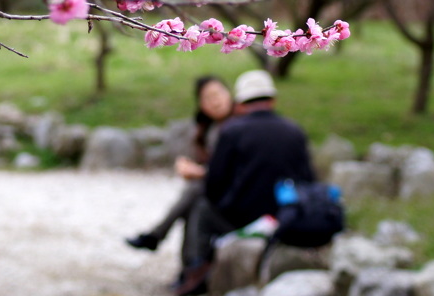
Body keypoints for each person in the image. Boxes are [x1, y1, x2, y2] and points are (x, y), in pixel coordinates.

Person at [174, 69, 316, 296]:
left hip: (243, 217)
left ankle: (194, 271)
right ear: (273, 99)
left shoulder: (232, 131)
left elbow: (214, 184)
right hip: (283, 215)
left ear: (239, 102)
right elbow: (309, 179)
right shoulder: (294, 130)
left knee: (201, 208)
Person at [125, 75, 234, 258]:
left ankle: (157, 235)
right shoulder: (207, 129)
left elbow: (233, 168)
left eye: (218, 94)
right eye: (208, 98)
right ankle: (187, 270)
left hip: (235, 190)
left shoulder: (238, 126)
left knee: (195, 191)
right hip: (215, 188)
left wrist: (201, 172)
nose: (215, 101)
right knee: (193, 204)